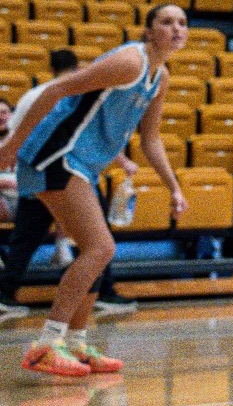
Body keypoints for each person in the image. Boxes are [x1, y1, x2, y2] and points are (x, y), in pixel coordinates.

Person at [0, 5, 190, 378]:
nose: (176, 28)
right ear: (149, 31)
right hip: (55, 154)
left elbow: (150, 139)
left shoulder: (159, 76)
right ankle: (47, 344)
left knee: (96, 252)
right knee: (101, 247)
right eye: (166, 22)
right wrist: (10, 148)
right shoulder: (129, 63)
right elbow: (56, 89)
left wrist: (174, 187)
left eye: (182, 23)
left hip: (84, 165)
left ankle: (75, 342)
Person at [3, 49, 135, 319]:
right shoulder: (74, 90)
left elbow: (17, 130)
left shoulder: (32, 94)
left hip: (38, 166)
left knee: (27, 239)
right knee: (98, 243)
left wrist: (16, 154)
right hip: (60, 164)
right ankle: (88, 307)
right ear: (78, 67)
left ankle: (6, 294)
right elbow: (82, 128)